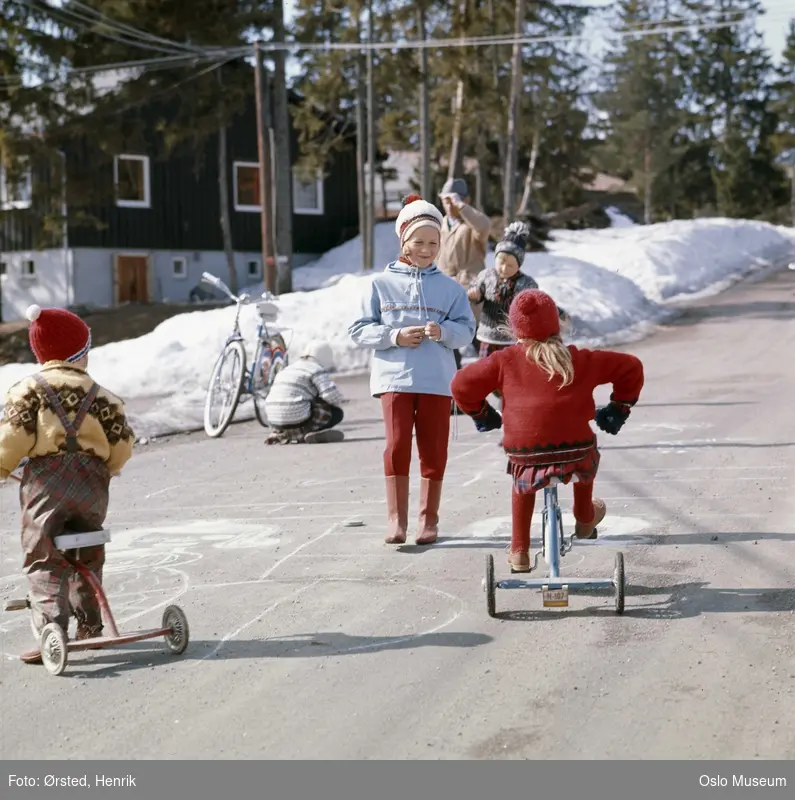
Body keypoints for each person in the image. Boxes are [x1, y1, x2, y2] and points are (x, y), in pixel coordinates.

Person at [450, 289, 644, 573]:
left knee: (522, 477)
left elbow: (461, 384)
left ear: (514, 327)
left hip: (525, 451)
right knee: (585, 454)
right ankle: (585, 517)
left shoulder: (504, 360)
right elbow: (631, 367)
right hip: (574, 449)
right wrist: (618, 408)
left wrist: (484, 415)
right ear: (556, 323)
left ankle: (519, 551)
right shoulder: (577, 358)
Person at [0, 304, 135, 659]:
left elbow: (10, 439)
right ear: (79, 354)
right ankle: (90, 625)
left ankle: (52, 630)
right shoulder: (103, 397)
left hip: (46, 487)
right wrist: (112, 465)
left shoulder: (27, 391)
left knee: (43, 555)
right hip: (92, 485)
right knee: (86, 551)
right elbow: (122, 442)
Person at [348, 194, 476, 545]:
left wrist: (444, 332)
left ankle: (428, 521)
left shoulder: (450, 289)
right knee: (397, 445)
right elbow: (358, 329)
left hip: (437, 382)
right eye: (418, 241)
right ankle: (396, 521)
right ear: (403, 239)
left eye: (434, 242)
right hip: (393, 380)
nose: (426, 248)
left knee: (434, 450)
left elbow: (467, 330)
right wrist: (394, 335)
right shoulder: (379, 285)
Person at [437, 177, 491, 374]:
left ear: (466, 201)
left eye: (455, 200)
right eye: (446, 200)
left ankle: (499, 391)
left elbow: (484, 226)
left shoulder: (471, 224)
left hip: (471, 294)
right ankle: (457, 396)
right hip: (446, 295)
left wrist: (462, 207)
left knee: (482, 345)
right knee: (449, 351)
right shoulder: (439, 225)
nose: (450, 205)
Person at [263, 340, 346, 445]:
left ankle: (281, 433)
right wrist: (339, 401)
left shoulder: (287, 369)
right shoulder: (316, 369)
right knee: (337, 413)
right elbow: (331, 395)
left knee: (297, 402)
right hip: (299, 419)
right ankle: (311, 432)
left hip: (273, 419)